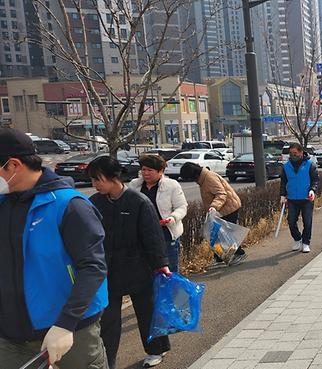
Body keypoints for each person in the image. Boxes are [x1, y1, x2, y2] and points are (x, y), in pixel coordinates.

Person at [0, 128, 109, 369]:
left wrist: (66, 324)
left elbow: (93, 267)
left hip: (69, 332)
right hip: (10, 336)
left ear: (14, 165)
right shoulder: (3, 204)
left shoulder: (68, 206)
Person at [87, 156, 171, 368]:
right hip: (109, 270)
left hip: (138, 267)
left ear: (112, 177)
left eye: (97, 180)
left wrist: (161, 263)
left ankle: (156, 350)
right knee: (108, 321)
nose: (94, 185)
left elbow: (152, 236)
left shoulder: (138, 201)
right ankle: (108, 361)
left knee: (147, 312)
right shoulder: (95, 202)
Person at [179, 162, 247, 266]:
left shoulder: (209, 178)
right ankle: (219, 258)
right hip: (219, 210)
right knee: (216, 235)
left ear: (195, 175)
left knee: (226, 235)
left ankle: (239, 253)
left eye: (191, 178)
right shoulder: (203, 178)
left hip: (228, 208)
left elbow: (221, 194)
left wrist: (214, 207)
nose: (194, 181)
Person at [130, 155, 188, 273]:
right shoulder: (134, 185)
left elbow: (181, 207)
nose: (145, 173)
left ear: (161, 171)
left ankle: (169, 291)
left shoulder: (172, 185)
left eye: (150, 170)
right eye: (143, 169)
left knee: (169, 269)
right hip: (143, 234)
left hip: (166, 233)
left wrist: (172, 218)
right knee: (145, 270)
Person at [280, 143, 320, 254]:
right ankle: (298, 239)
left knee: (307, 222)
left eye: (295, 153)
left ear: (301, 152)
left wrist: (312, 190)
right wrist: (283, 195)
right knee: (291, 221)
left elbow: (315, 180)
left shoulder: (309, 165)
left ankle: (306, 242)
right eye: (291, 153)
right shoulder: (286, 166)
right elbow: (283, 181)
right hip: (292, 199)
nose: (293, 155)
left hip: (306, 198)